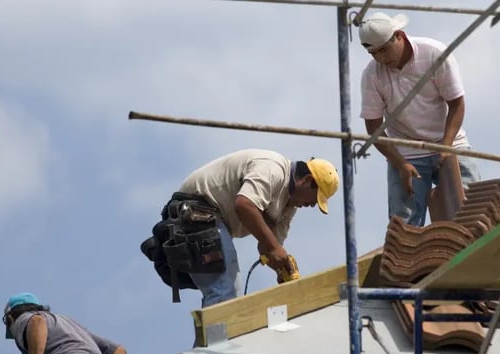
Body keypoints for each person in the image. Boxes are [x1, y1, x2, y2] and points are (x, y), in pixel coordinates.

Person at [148, 149, 339, 307]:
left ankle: (206, 350)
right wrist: (275, 249)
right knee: (225, 293)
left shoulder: (288, 206)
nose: (312, 205)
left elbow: (268, 246)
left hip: (209, 221)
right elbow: (244, 205)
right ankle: (211, 353)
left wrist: (283, 269)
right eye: (315, 198)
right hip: (196, 211)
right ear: (306, 180)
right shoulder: (273, 168)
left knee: (225, 295)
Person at [358, 12, 480, 227]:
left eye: (384, 50)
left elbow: (456, 103)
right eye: (373, 53)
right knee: (405, 225)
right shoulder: (372, 75)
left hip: (450, 142)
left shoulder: (434, 54)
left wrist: (447, 146)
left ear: (399, 35)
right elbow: (374, 128)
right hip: (407, 152)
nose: (381, 58)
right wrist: (401, 164)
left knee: (473, 211)